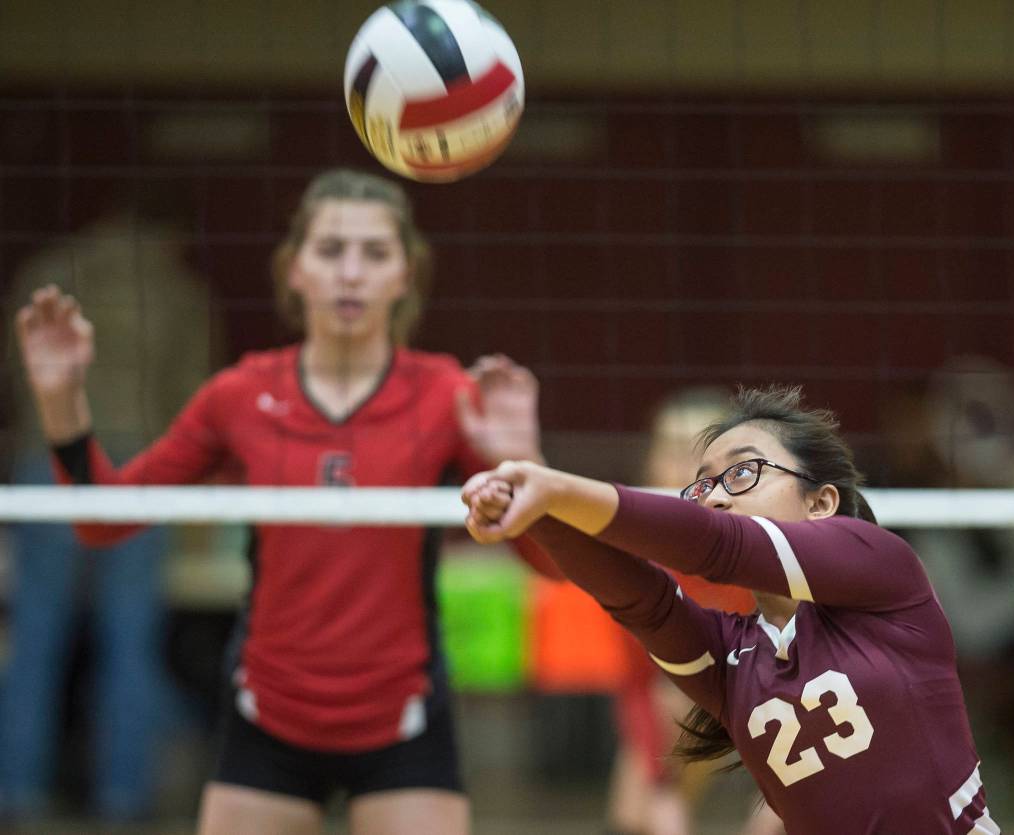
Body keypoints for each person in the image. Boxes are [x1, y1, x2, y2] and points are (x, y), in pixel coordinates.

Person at [15, 168, 561, 835]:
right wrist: (61, 399)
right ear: (294, 269)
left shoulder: (446, 393)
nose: (351, 272)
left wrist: (527, 461)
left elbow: (552, 565)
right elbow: (103, 521)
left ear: (406, 275)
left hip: (402, 719)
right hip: (267, 718)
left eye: (374, 252)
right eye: (330, 250)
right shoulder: (240, 395)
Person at [462, 385, 1000, 835]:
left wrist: (556, 486)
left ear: (821, 503)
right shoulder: (732, 657)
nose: (716, 497)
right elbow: (637, 599)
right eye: (704, 485)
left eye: (742, 473)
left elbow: (720, 545)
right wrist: (531, 500)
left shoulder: (883, 573)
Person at [2, 200, 217, 821]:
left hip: (46, 455)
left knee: (35, 637)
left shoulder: (48, 272)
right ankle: (124, 797)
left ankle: (16, 792)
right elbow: (195, 398)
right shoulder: (176, 288)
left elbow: (16, 370)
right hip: (138, 463)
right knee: (131, 639)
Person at [608, 388, 783, 835]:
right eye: (673, 451)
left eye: (706, 455)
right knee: (638, 796)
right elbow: (634, 686)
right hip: (686, 708)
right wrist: (661, 786)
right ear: (651, 463)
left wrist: (777, 799)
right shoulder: (634, 558)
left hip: (770, 709)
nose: (689, 469)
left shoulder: (766, 551)